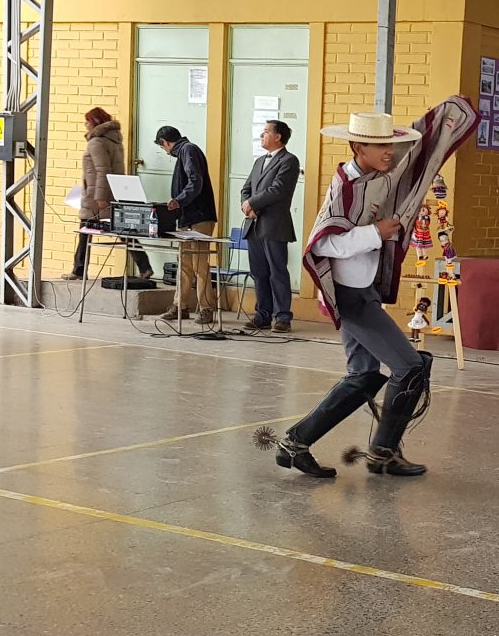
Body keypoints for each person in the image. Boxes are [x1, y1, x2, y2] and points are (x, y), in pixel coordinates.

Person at [258, 98, 477, 479]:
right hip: (351, 296)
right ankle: (383, 455)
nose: (390, 153)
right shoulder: (344, 187)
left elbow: (414, 162)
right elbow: (323, 243)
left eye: (392, 145)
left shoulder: (378, 181)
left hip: (363, 291)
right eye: (381, 146)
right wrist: (376, 232)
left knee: (364, 375)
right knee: (410, 367)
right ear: (359, 147)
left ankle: (295, 442)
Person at [62, 107, 152, 282]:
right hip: (116, 191)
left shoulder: (96, 143)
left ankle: (79, 270)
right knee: (124, 230)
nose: (85, 125)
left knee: (84, 232)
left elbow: (103, 171)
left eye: (87, 121)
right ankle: (145, 266)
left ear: (95, 122)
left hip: (97, 195)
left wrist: (100, 198)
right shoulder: (115, 141)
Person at [241, 120, 301, 333]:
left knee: (277, 271)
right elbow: (246, 187)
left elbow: (278, 190)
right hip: (254, 223)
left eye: (266, 132)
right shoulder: (259, 161)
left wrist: (253, 203)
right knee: (259, 272)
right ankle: (263, 314)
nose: (261, 135)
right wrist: (247, 204)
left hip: (274, 225)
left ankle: (283, 316)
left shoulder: (289, 161)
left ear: (278, 136)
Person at [154, 126, 218, 324]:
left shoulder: (188, 150)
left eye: (162, 146)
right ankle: (180, 306)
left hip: (198, 216)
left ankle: (206, 308)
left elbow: (195, 180)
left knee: (199, 265)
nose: (164, 151)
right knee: (184, 264)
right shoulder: (185, 151)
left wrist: (179, 200)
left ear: (165, 142)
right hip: (187, 217)